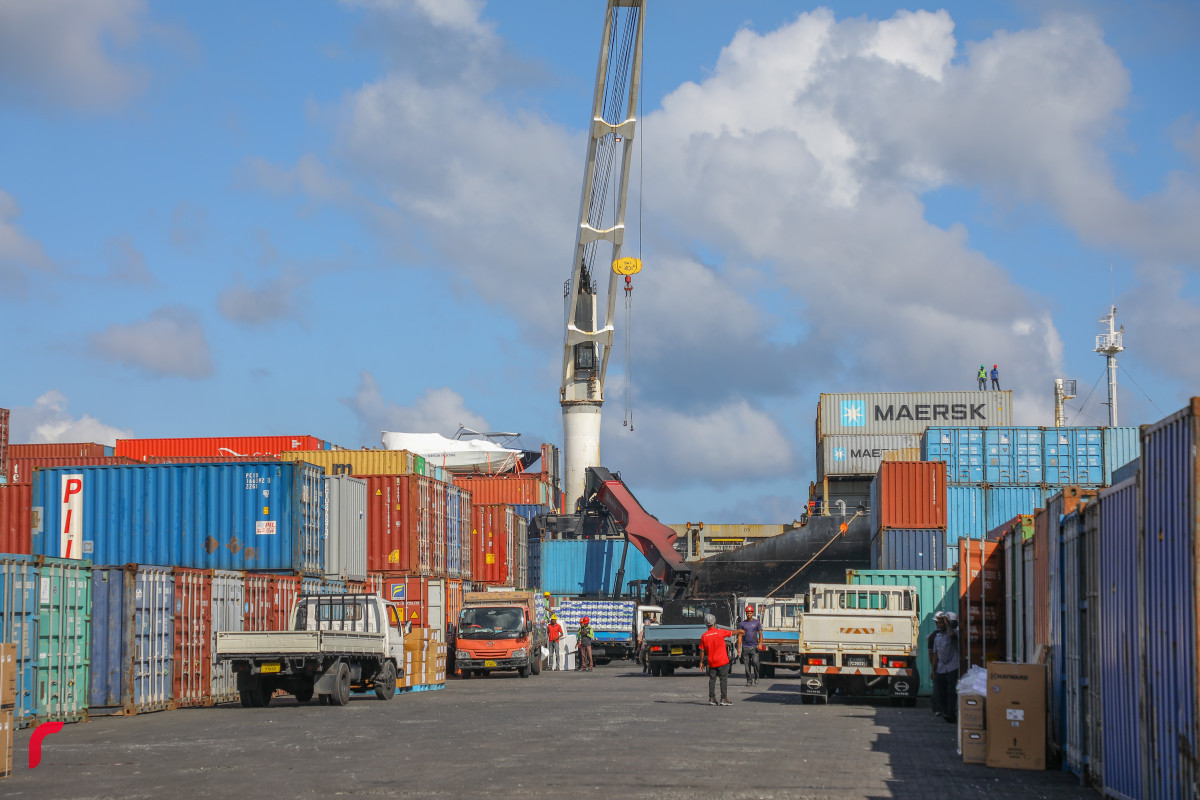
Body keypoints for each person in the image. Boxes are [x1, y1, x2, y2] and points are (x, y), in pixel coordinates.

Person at [698, 613, 737, 706]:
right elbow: (732, 633)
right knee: (723, 679)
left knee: (712, 680)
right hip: (722, 661)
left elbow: (702, 651)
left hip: (711, 662)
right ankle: (724, 698)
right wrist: (740, 631)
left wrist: (701, 662)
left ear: (706, 624)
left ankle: (712, 698)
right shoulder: (720, 632)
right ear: (715, 622)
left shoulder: (704, 636)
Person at [931, 611, 960, 723]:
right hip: (941, 668)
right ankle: (944, 711)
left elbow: (952, 634)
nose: (939, 625)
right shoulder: (937, 637)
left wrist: (947, 623)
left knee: (951, 691)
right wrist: (933, 670)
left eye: (941, 623)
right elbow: (936, 654)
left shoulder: (954, 633)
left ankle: (951, 713)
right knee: (942, 691)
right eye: (938, 623)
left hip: (952, 667)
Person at [737, 605, 765, 686]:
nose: (749, 614)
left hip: (754, 647)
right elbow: (739, 636)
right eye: (747, 613)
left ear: (752, 613)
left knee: (756, 662)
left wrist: (760, 643)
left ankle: (756, 676)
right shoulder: (742, 624)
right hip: (745, 647)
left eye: (750, 613)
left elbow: (760, 633)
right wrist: (738, 648)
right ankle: (749, 680)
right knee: (746, 666)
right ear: (746, 613)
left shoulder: (756, 623)